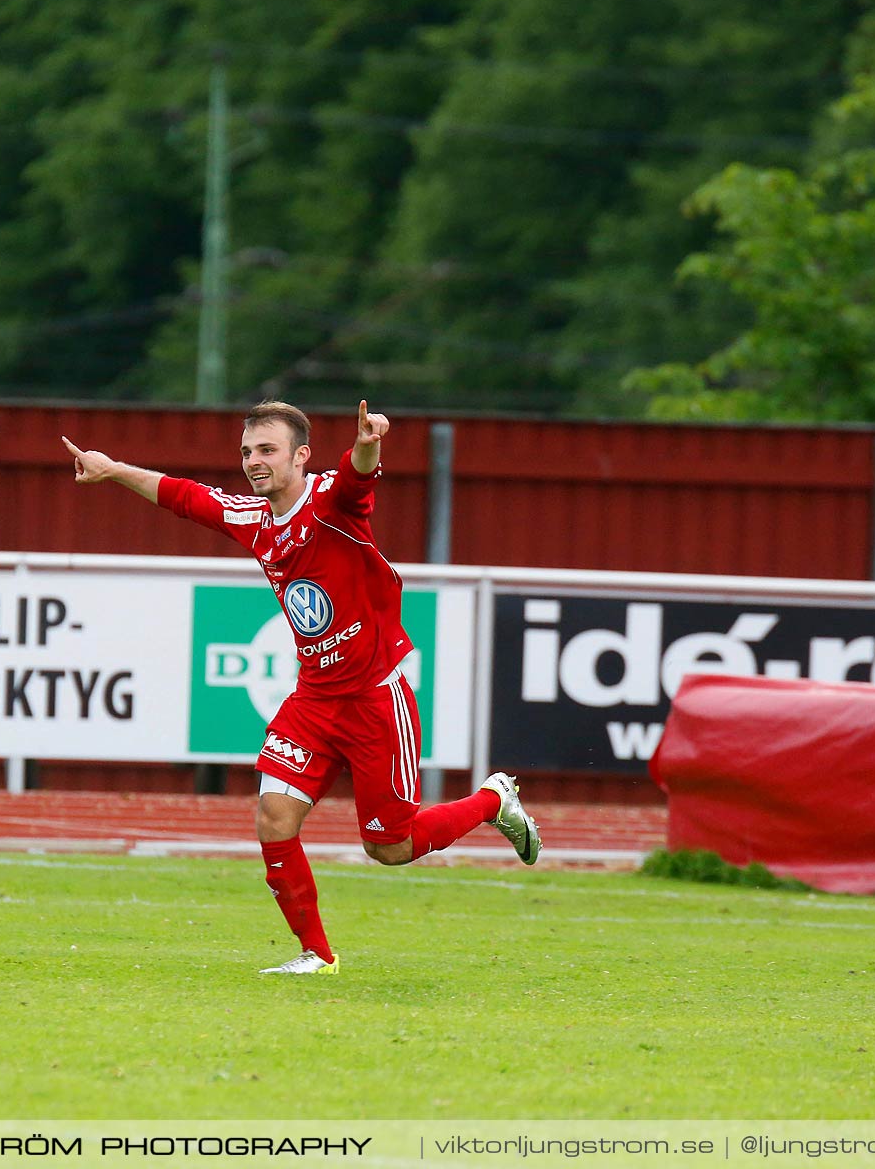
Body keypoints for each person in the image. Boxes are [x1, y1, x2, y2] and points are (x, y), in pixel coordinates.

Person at [61, 400, 542, 975]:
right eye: (246, 452)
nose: (254, 462)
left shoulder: (331, 503)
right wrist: (112, 468)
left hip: (374, 695)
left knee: (390, 846)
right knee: (274, 818)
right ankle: (316, 954)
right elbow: (182, 494)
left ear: (300, 456)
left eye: (267, 450)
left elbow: (359, 476)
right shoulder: (252, 517)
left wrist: (370, 443)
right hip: (314, 698)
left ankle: (493, 800)